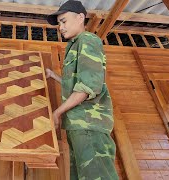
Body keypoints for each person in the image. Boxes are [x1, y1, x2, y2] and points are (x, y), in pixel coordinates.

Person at [46, 1, 118, 179]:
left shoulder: (88, 40)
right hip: (79, 125)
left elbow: (87, 87)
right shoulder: (75, 44)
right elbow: (78, 84)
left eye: (63, 21)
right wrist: (54, 76)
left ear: (80, 18)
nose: (60, 27)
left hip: (89, 124)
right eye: (59, 24)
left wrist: (57, 112)